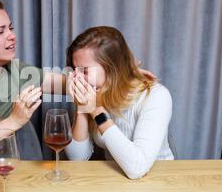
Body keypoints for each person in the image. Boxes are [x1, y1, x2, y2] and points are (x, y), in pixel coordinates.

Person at [0, 0, 156, 165]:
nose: (11, 36)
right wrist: (13, 121)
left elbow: (79, 81)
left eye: (10, 28)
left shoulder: (20, 72)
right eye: (1, 31)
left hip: (9, 171)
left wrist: (120, 71)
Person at [65, 26, 173, 179]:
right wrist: (82, 107)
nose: (77, 78)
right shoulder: (97, 94)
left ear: (112, 68)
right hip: (116, 182)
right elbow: (77, 159)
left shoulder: (156, 96)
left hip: (159, 183)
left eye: (84, 71)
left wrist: (96, 111)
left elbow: (137, 168)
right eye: (75, 70)